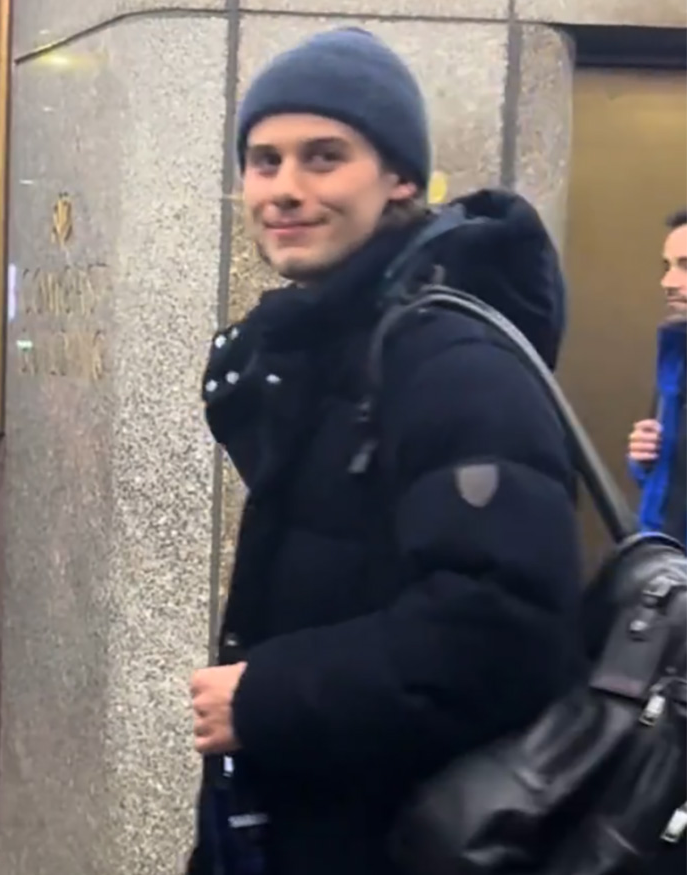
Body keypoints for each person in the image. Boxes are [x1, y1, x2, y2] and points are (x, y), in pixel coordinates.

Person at [188, 27, 583, 875]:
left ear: (400, 177)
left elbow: (507, 630)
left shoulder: (452, 362)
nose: (284, 190)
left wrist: (267, 694)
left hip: (398, 838)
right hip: (303, 821)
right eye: (264, 161)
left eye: (324, 157)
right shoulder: (326, 349)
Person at [627, 209, 686, 545]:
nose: (668, 283)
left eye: (686, 265)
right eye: (667, 267)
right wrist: (647, 461)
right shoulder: (676, 357)